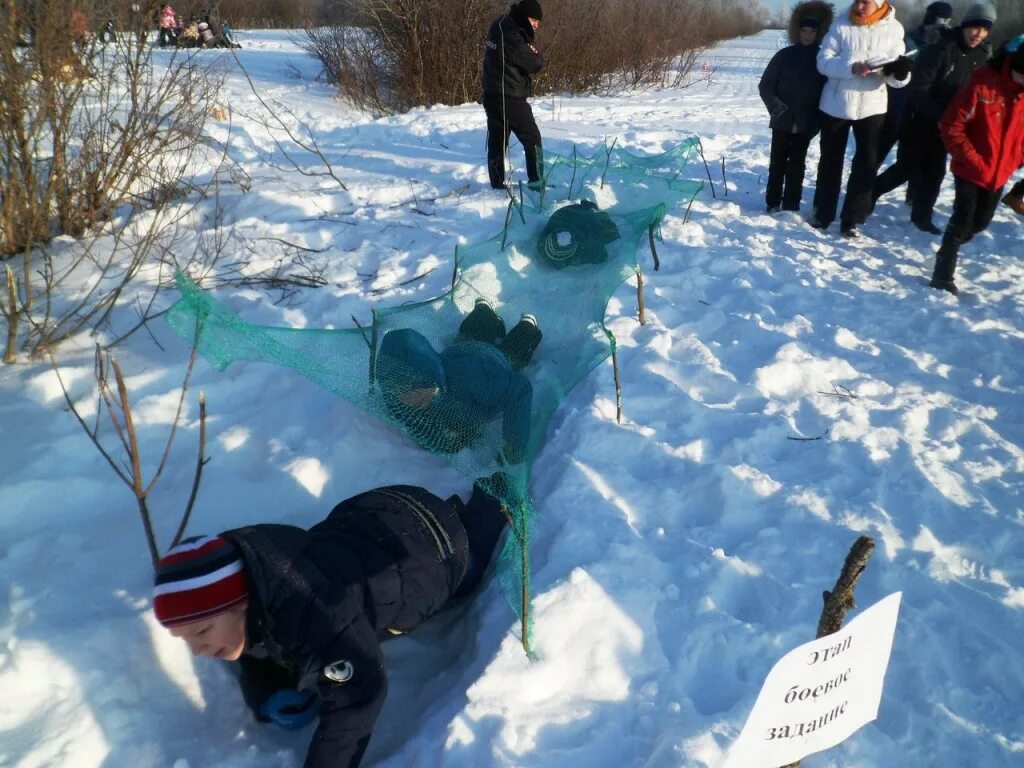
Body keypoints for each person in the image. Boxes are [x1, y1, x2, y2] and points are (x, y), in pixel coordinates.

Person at [152, 478, 509, 768]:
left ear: (240, 604)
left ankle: (493, 496)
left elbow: (358, 697)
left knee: (466, 574)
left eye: (201, 632)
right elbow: (252, 638)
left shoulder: (318, 611)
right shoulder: (261, 576)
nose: (196, 649)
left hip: (432, 552)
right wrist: (269, 689)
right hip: (377, 511)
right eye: (184, 638)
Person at [874, 3, 994, 233]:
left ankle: (922, 216)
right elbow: (919, 89)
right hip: (919, 119)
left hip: (948, 126)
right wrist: (941, 115)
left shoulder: (981, 55)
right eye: (975, 28)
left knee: (935, 172)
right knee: (906, 168)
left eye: (984, 30)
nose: (978, 34)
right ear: (965, 26)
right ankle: (870, 194)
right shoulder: (941, 49)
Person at [376, 301, 541, 463]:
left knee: (514, 350)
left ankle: (525, 325)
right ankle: (484, 313)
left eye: (412, 392)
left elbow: (520, 389)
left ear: (430, 383)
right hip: (461, 349)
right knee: (473, 332)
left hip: (493, 361)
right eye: (398, 391)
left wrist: (514, 445)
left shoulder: (474, 381)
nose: (406, 399)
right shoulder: (399, 393)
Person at [811, 0, 913, 237]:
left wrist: (900, 74)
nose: (858, 6)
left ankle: (852, 219)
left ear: (878, 4)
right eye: (856, 1)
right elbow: (822, 62)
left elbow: (896, 79)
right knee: (830, 161)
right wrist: (851, 67)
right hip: (835, 104)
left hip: (872, 106)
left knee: (867, 163)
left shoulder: (894, 29)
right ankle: (823, 214)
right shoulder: (840, 25)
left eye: (865, 2)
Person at [930, 47, 1024, 295]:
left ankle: (951, 245)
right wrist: (972, 160)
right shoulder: (983, 83)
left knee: (980, 223)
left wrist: (1018, 157)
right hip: (970, 168)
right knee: (962, 221)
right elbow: (951, 125)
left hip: (1000, 170)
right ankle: (942, 275)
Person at [874, 2, 954, 205]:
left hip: (920, 113)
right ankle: (863, 192)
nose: (941, 25)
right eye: (938, 19)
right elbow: (893, 66)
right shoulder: (910, 39)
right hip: (895, 106)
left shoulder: (947, 45)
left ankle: (913, 196)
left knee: (911, 160)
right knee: (875, 155)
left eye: (947, 21)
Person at [758, 1, 833, 213]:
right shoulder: (784, 56)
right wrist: (777, 108)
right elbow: (766, 85)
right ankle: (772, 203)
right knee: (777, 163)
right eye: (804, 30)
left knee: (797, 165)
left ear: (818, 33)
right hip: (782, 120)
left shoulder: (823, 59)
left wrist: (816, 122)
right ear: (797, 31)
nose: (807, 35)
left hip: (806, 122)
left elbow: (828, 92)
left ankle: (791, 206)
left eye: (812, 31)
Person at [481, 0, 545, 191]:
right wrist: (537, 55)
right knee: (532, 138)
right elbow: (534, 64)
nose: (536, 26)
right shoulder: (511, 34)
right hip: (510, 96)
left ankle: (497, 185)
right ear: (525, 16)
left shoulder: (500, 24)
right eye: (534, 20)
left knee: (497, 141)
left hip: (492, 94)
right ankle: (537, 184)